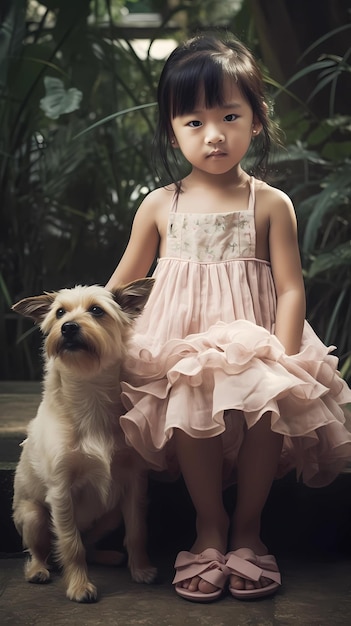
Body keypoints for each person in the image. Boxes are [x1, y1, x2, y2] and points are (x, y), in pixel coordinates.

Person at [106, 33, 351, 602]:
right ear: (172, 128)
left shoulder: (268, 203)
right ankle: (209, 525)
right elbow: (121, 287)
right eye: (193, 121)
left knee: (269, 404)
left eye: (229, 116)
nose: (213, 134)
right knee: (191, 399)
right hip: (180, 345)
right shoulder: (159, 204)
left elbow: (290, 287)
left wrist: (285, 358)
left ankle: (249, 530)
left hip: (259, 340)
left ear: (257, 120)